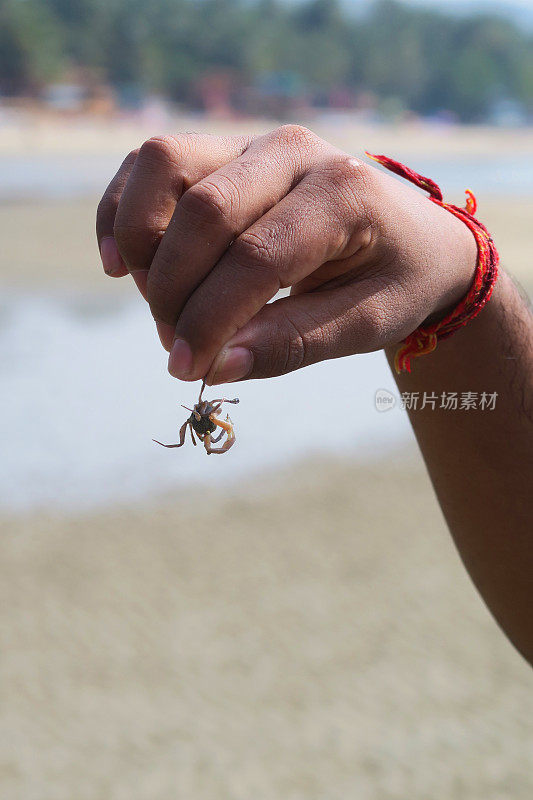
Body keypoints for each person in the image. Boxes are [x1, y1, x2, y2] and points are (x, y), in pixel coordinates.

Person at [96, 126, 533, 664]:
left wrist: (465, 284)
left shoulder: (208, 412)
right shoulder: (207, 412)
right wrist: (461, 280)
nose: (207, 421)